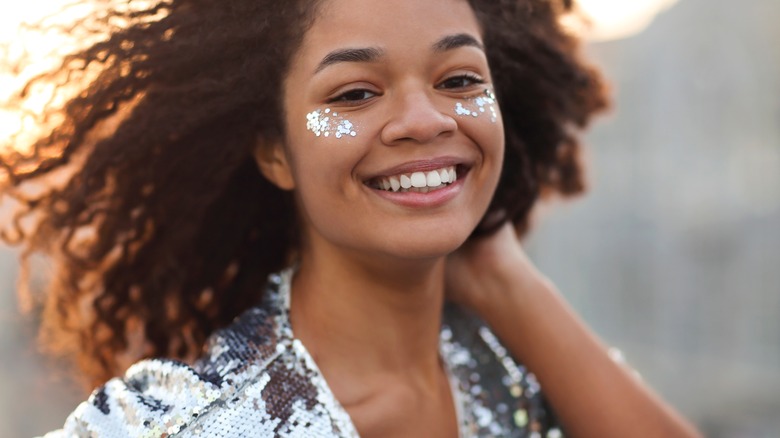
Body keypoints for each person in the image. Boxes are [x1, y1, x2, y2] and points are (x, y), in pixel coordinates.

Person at [0, 0, 702, 436]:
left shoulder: (518, 373)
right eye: (356, 93)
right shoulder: (175, 426)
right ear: (275, 152)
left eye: (459, 79)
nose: (426, 120)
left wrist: (510, 284)